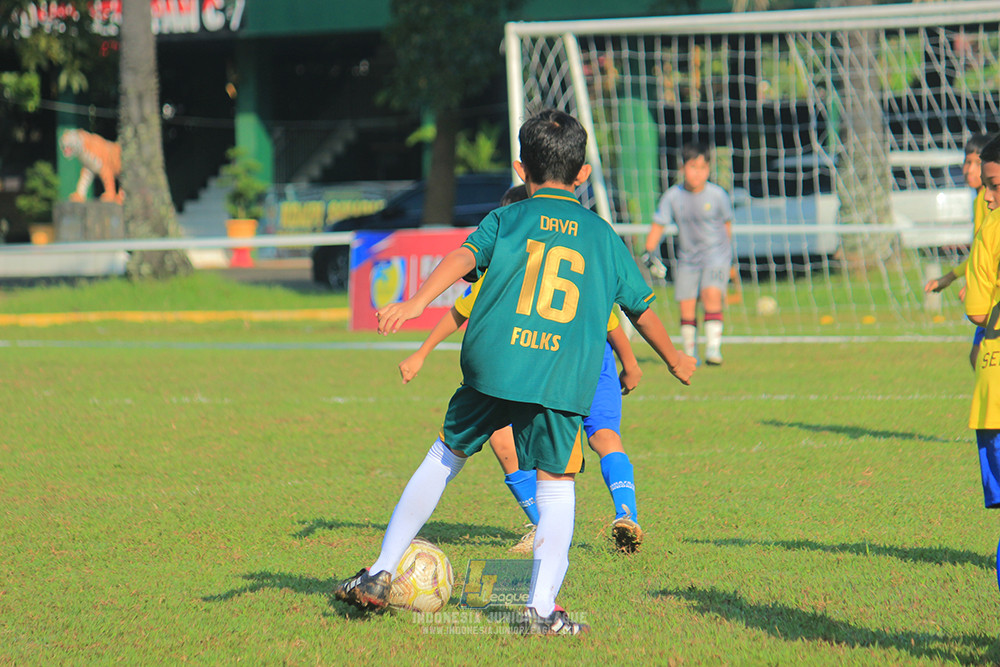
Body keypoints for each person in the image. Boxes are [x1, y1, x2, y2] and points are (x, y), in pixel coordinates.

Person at [335, 108, 696, 636]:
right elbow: (638, 309)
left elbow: (463, 258)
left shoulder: (505, 219)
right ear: (584, 174)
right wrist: (672, 357)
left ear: (520, 169)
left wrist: (416, 301)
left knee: (443, 457)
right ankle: (542, 610)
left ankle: (381, 571)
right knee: (557, 484)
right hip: (556, 376)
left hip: (494, 363)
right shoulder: (600, 235)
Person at [399, 187, 647, 555]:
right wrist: (631, 364)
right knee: (600, 439)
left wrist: (421, 350)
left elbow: (458, 313)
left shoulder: (506, 268)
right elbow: (613, 321)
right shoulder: (576, 258)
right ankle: (619, 515)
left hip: (557, 366)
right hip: (587, 364)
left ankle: (554, 525)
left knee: (517, 445)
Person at [641, 142, 733, 366]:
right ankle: (691, 353)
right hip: (688, 259)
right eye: (693, 167)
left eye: (702, 168)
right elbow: (658, 224)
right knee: (686, 304)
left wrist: (729, 259)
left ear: (709, 169)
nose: (697, 173)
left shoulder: (717, 195)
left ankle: (713, 349)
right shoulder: (673, 196)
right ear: (683, 168)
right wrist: (648, 252)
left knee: (711, 296)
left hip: (715, 257)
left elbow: (727, 226)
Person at [960, 133, 1000, 592]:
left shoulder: (990, 227)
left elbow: (976, 309)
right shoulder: (988, 224)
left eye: (994, 185)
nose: (987, 196)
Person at [924, 132, 993, 369]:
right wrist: (955, 278)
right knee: (978, 357)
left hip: (992, 294)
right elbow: (979, 251)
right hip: (986, 290)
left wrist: (975, 280)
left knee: (982, 358)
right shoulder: (979, 200)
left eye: (976, 163)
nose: (969, 169)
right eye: (967, 161)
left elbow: (989, 252)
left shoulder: (988, 199)